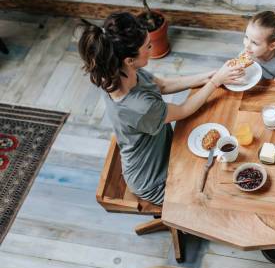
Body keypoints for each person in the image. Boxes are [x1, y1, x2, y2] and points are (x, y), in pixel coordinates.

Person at [78, 12, 244, 205]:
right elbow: (183, 111)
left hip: (164, 148)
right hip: (156, 181)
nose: (152, 48)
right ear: (129, 60)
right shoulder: (140, 107)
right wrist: (216, 82)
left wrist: (211, 76)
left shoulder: (119, 72)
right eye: (148, 46)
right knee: (219, 193)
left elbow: (162, 85)